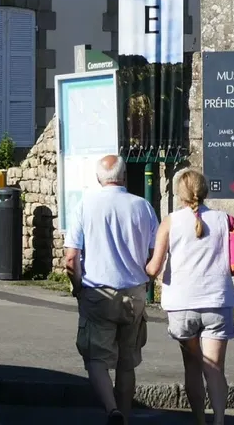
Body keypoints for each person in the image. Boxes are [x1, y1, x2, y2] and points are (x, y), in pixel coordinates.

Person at [64, 155, 158, 425]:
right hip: (134, 291)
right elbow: (154, 253)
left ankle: (111, 410)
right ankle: (125, 417)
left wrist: (78, 286)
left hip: (98, 292)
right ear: (125, 176)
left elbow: (71, 259)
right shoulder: (143, 206)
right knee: (127, 363)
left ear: (98, 179)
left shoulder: (85, 206)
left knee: (96, 358)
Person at [146, 168, 234, 425]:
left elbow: (154, 267)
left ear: (179, 194)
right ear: (205, 191)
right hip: (217, 303)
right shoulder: (224, 219)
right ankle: (219, 420)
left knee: (193, 368)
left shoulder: (171, 221)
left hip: (182, 305)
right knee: (215, 369)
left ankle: (199, 420)